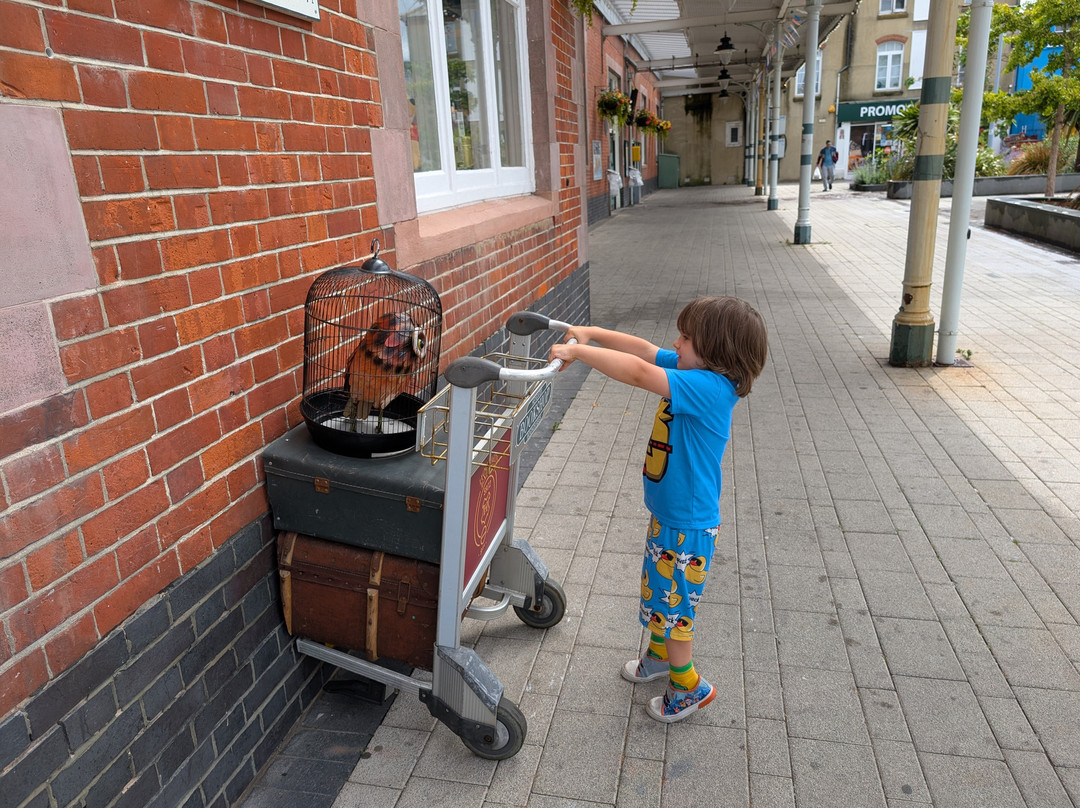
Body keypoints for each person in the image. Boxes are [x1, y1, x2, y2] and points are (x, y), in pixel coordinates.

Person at [550, 297, 769, 723]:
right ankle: (657, 656)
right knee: (659, 593)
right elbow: (644, 350)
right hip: (673, 518)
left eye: (687, 338)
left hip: (686, 527)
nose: (677, 342)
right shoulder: (695, 368)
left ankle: (688, 686)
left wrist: (579, 351)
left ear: (717, 353)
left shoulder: (708, 387)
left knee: (675, 610)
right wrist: (592, 333)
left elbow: (638, 372)